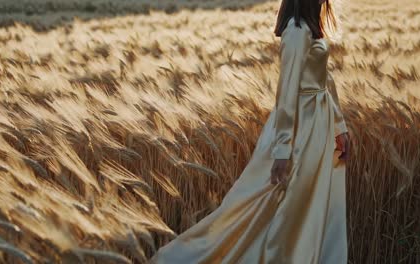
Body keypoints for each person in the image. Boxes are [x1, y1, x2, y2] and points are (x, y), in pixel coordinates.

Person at [150, 0, 350, 263]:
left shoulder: (312, 28)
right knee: (286, 205)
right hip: (301, 130)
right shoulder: (296, 30)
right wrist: (282, 149)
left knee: (312, 204)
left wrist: (339, 127)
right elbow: (287, 93)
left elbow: (325, 80)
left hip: (318, 124)